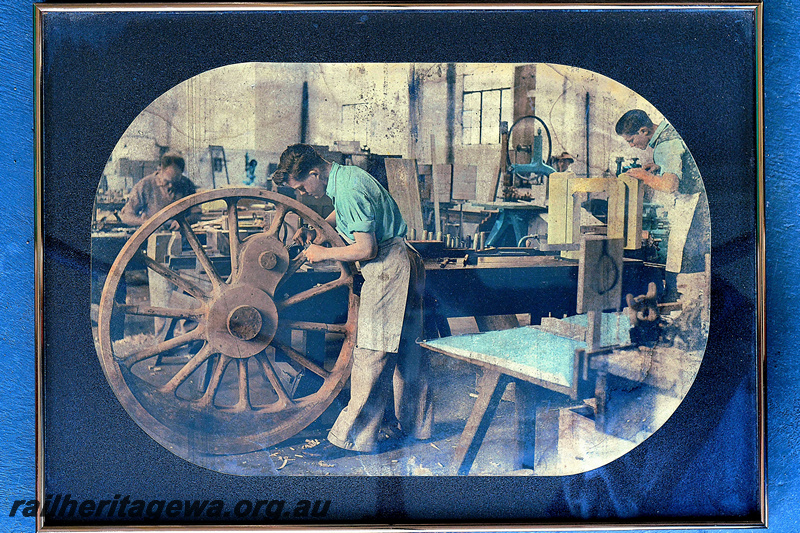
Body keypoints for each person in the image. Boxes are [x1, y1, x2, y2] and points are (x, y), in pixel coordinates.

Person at [271, 144, 433, 453]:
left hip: (387, 267)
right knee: (410, 352)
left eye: (303, 185)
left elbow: (366, 249)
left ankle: (354, 438)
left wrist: (323, 253)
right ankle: (418, 428)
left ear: (315, 173)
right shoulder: (347, 177)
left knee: (373, 352)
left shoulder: (347, 190)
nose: (304, 194)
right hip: (402, 260)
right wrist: (323, 229)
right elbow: (350, 211)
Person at [615, 109, 710, 301]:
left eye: (632, 140)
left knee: (681, 254)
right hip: (701, 197)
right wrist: (660, 167)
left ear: (644, 131)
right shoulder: (671, 130)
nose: (633, 146)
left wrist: (646, 176)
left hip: (693, 202)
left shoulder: (664, 146)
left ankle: (679, 299)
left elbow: (670, 185)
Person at [120, 152, 199, 336]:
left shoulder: (186, 185)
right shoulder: (145, 185)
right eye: (167, 181)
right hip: (157, 249)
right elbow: (126, 215)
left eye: (175, 181)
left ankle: (187, 337)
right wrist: (145, 223)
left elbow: (197, 211)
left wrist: (184, 220)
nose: (171, 186)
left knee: (187, 291)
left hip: (182, 246)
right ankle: (163, 339)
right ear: (160, 170)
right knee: (162, 295)